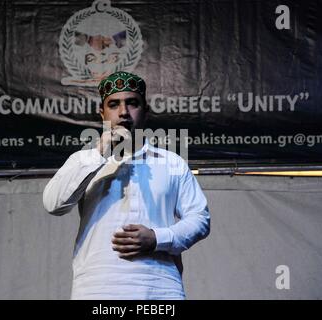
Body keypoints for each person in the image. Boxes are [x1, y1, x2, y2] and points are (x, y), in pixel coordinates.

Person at [43, 71, 210, 299]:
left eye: (132, 103)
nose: (123, 112)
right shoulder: (83, 160)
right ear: (102, 113)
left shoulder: (172, 163)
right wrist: (99, 153)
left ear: (145, 112)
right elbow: (53, 204)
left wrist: (157, 238)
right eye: (114, 105)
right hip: (97, 288)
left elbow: (200, 218)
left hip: (159, 288)